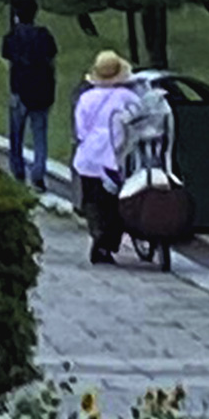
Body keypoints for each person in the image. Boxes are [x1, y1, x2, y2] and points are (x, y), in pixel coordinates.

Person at [72, 52, 141, 263]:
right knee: (114, 204)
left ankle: (97, 235)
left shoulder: (86, 98)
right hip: (116, 158)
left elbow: (81, 131)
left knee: (92, 200)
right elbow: (139, 122)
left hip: (89, 157)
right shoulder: (127, 97)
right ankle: (107, 243)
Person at [0, 0, 60, 191]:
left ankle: (18, 171)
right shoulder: (44, 35)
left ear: (17, 15)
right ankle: (38, 173)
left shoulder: (11, 37)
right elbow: (52, 60)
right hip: (42, 90)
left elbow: (8, 61)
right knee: (39, 134)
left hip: (19, 90)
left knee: (16, 135)